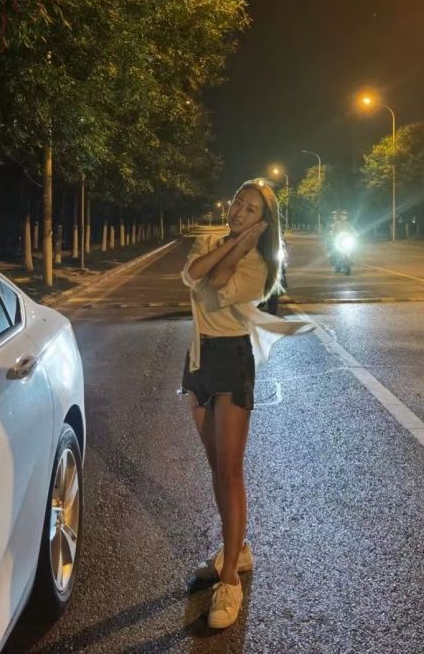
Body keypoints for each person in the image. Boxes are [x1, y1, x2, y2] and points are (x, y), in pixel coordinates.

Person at [180, 179, 313, 629]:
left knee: (230, 472)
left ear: (263, 222)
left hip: (231, 359)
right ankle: (236, 548)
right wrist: (229, 242)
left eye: (251, 209)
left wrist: (238, 246)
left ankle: (231, 579)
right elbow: (193, 274)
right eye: (238, 202)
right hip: (198, 358)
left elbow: (217, 282)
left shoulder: (260, 266)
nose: (238, 210)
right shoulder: (209, 241)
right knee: (215, 467)